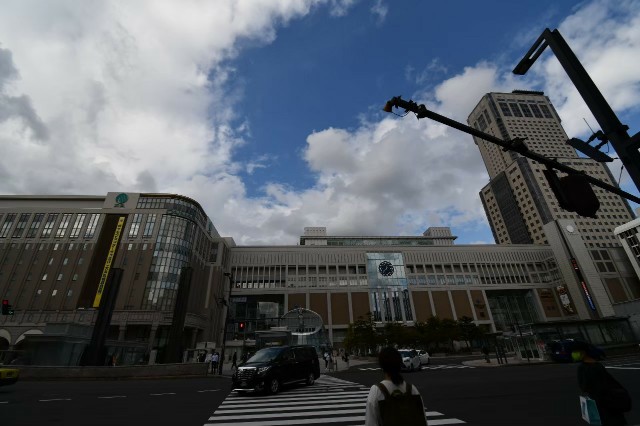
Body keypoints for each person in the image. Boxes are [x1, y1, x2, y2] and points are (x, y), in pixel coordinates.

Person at [365, 347, 428, 426]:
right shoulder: (412, 389)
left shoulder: (377, 391)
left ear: (382, 366)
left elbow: (371, 422)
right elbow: (422, 419)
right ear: (399, 364)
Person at [572, 341, 630, 426]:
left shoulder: (582, 368)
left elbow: (584, 386)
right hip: (611, 402)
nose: (573, 354)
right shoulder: (598, 365)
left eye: (575, 352)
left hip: (599, 404)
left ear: (583, 352)